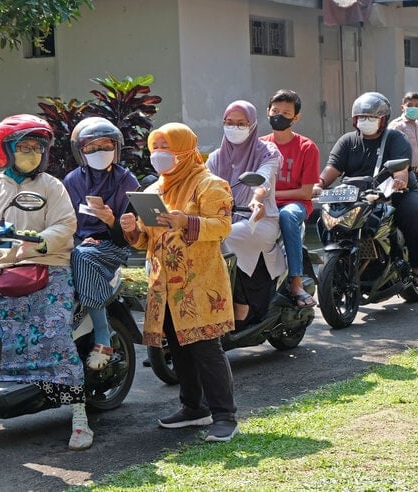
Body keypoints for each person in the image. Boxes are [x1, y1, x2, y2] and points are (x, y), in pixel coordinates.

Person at [0, 114, 92, 450]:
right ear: (4, 150)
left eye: (38, 147)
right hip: (0, 273)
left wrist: (37, 242)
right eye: (24, 146)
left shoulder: (52, 186)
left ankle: (79, 415)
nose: (32, 152)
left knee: (56, 332)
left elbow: (65, 226)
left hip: (49, 269)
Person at [119, 122, 239, 442]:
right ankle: (193, 408)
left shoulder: (210, 184)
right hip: (164, 284)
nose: (159, 156)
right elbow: (145, 240)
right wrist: (130, 228)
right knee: (179, 346)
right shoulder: (153, 191)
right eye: (155, 149)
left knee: (205, 348)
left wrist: (187, 221)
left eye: (167, 150)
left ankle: (225, 415)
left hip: (198, 283)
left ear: (186, 151)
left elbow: (222, 226)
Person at [314, 91, 418, 286]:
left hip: (397, 192)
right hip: (357, 195)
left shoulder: (395, 138)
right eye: (361, 117)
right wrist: (318, 185)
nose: (365, 120)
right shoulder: (347, 141)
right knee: (328, 219)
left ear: (383, 119)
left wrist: (400, 180)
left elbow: (401, 169)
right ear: (354, 119)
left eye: (371, 117)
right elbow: (331, 169)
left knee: (415, 214)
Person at [63, 117, 140, 370]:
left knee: (82, 257)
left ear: (116, 147)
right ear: (81, 151)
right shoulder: (72, 181)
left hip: (111, 246)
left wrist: (111, 221)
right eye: (91, 147)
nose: (100, 152)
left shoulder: (128, 182)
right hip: (79, 244)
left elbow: (127, 237)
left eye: (106, 145)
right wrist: (79, 238)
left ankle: (103, 335)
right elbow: (65, 221)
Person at [206, 100, 286, 328]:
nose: (234, 127)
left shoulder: (267, 151)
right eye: (229, 122)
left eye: (241, 123)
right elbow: (203, 186)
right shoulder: (215, 158)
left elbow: (263, 178)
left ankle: (242, 302)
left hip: (260, 218)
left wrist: (256, 200)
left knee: (228, 237)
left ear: (252, 125)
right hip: (223, 219)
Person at [260, 89, 320, 308]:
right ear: (267, 112)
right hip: (261, 203)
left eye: (286, 112)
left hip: (296, 205)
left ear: (296, 117)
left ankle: (296, 282)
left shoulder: (307, 147)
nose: (279, 115)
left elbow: (306, 192)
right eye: (275, 110)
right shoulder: (259, 145)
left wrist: (272, 195)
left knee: (287, 216)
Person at [388, 91, 418, 192]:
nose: (414, 108)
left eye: (417, 105)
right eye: (410, 105)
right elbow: (390, 151)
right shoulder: (397, 126)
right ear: (402, 107)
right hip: (403, 174)